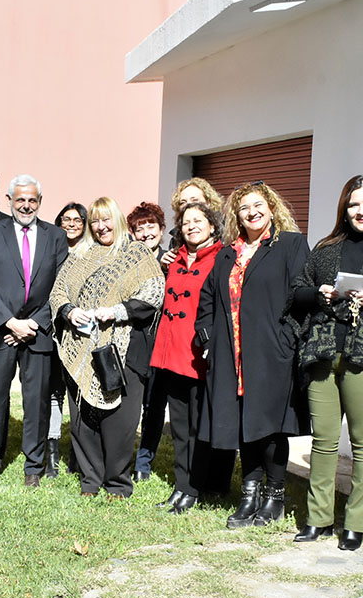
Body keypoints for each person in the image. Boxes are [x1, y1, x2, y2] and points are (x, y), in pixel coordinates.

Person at [292, 175, 363, 551]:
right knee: (323, 439)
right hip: (323, 352)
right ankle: (318, 518)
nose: (361, 211)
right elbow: (298, 291)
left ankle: (355, 523)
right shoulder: (324, 248)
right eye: (354, 204)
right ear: (344, 209)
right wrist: (319, 294)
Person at [196, 182, 309, 528]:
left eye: (258, 205)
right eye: (244, 207)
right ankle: (249, 496)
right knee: (246, 426)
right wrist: (207, 340)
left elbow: (301, 294)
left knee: (271, 428)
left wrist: (288, 339)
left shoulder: (290, 244)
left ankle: (274, 497)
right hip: (232, 355)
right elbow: (207, 301)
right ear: (237, 214)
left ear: (271, 208)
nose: (251, 212)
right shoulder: (228, 253)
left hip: (271, 353)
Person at [50, 197, 165, 498]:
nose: (101, 227)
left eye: (106, 219)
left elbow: (153, 294)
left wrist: (116, 311)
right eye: (95, 221)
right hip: (81, 346)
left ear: (118, 219)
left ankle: (117, 483)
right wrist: (69, 311)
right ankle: (90, 480)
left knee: (120, 422)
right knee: (82, 418)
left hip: (125, 350)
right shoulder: (81, 256)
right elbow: (58, 292)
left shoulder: (136, 253)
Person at [0, 174, 69, 487]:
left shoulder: (55, 236)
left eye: (32, 200)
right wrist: (10, 322)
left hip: (38, 332)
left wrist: (34, 323)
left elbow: (60, 286)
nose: (26, 205)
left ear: (39, 202)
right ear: (10, 201)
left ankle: (34, 467)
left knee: (37, 403)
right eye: (20, 200)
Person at [149, 178, 229, 514]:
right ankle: (182, 486)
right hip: (171, 355)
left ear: (212, 226)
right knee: (179, 428)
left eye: (199, 221)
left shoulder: (222, 258)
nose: (191, 226)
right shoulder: (176, 260)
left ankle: (196, 487)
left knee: (200, 428)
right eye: (186, 222)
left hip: (200, 357)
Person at [128, 201, 170, 482]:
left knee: (154, 407)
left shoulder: (173, 260)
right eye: (139, 228)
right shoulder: (126, 262)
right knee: (128, 405)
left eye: (150, 226)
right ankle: (120, 455)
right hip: (133, 342)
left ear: (161, 229)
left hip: (163, 344)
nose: (145, 233)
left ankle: (143, 463)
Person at [47, 201, 90, 474]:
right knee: (54, 394)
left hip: (81, 333)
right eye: (66, 219)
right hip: (54, 331)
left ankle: (78, 453)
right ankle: (51, 452)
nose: (71, 224)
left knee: (79, 394)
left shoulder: (92, 253)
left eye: (77, 219)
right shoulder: (52, 250)